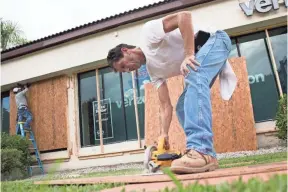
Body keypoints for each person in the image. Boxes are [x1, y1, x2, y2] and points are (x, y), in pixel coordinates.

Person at [106, 11, 237, 174]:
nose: (128, 70)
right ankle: (206, 155)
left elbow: (184, 17)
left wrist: (189, 54)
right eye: (124, 71)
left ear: (126, 50)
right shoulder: (153, 72)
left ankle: (201, 150)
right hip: (201, 55)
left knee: (193, 73)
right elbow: (165, 106)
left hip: (214, 40)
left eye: (124, 66)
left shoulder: (148, 34)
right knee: (182, 106)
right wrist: (164, 134)